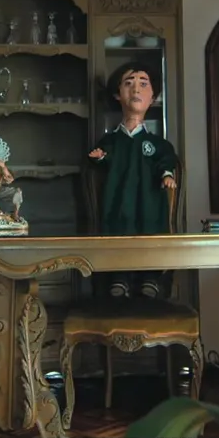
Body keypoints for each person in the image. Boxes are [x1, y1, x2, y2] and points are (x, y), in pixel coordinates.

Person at [88, 62, 177, 298]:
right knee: (118, 231)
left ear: (153, 97)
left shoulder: (158, 144)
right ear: (118, 94)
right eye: (129, 83)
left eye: (143, 84)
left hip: (149, 201)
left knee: (151, 230)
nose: (136, 89)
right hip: (118, 201)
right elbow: (100, 159)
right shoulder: (110, 141)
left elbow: (166, 159)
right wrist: (100, 158)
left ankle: (150, 276)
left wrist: (167, 174)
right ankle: (119, 275)